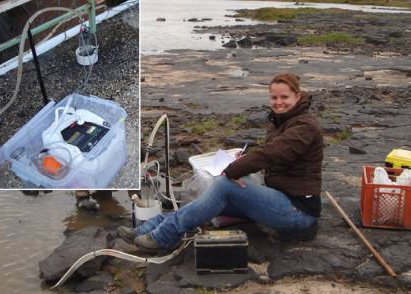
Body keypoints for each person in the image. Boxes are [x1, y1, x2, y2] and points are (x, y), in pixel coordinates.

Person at [122, 73, 324, 252]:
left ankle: (163, 237)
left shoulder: (305, 126)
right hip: (279, 198)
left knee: (223, 185)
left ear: (297, 97)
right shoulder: (281, 122)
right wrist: (241, 162)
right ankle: (148, 229)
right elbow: (272, 154)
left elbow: (271, 154)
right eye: (274, 97)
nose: (279, 102)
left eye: (285, 97)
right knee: (208, 202)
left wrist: (231, 171)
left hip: (298, 212)